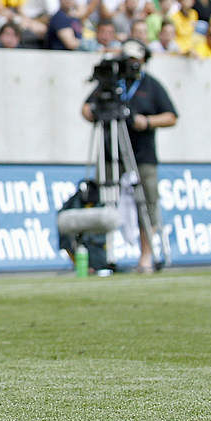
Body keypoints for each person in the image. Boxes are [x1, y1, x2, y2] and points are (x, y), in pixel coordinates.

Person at [81, 39, 177, 273]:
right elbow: (86, 108)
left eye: (135, 59)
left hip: (142, 154)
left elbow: (171, 116)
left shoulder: (151, 85)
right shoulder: (112, 83)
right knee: (104, 200)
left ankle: (146, 255)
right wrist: (96, 112)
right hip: (111, 151)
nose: (131, 64)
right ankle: (102, 255)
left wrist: (147, 122)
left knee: (147, 203)